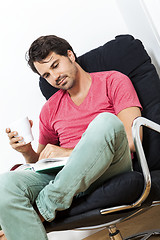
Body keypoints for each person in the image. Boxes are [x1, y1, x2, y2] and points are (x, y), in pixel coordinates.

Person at [0, 35, 142, 240]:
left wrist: (69, 152)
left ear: (70, 55)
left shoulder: (114, 81)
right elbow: (40, 164)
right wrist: (27, 152)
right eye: (47, 75)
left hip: (110, 166)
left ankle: (44, 209)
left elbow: (133, 140)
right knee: (5, 184)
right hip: (65, 176)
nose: (54, 77)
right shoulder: (50, 108)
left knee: (105, 122)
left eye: (56, 65)